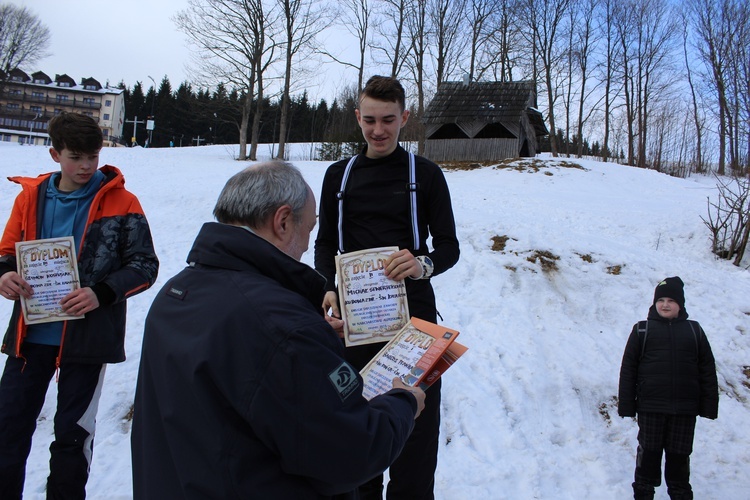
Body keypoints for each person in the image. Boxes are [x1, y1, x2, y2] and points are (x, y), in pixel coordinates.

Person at [131, 161, 426, 499]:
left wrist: (311, 345)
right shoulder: (282, 327)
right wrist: (402, 404)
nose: (305, 246)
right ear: (283, 222)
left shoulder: (174, 295)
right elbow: (352, 453)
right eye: (309, 229)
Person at [314, 75, 460, 499]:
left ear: (405, 118)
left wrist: (422, 263)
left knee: (417, 433)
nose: (378, 130)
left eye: (389, 120)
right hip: (354, 326)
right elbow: (326, 243)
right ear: (357, 118)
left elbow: (449, 247)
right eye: (370, 120)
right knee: (355, 432)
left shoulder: (427, 175)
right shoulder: (337, 177)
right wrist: (327, 286)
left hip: (416, 326)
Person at [0, 112, 159, 499]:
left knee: (73, 438)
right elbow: (6, 253)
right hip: (30, 336)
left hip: (86, 342)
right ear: (55, 154)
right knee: (7, 430)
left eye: (93, 155)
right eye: (76, 156)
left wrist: (100, 293)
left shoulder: (123, 201)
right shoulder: (30, 197)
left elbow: (145, 265)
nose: (86, 165)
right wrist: (4, 276)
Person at [618, 276, 719, 500]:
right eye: (661, 300)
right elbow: (628, 370)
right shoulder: (641, 330)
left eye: (671, 300)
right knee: (648, 454)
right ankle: (643, 492)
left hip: (684, 409)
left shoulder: (694, 331)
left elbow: (707, 370)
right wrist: (626, 404)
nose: (665, 304)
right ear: (654, 303)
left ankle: (680, 492)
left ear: (680, 304)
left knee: (680, 456)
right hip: (651, 407)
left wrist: (709, 405)